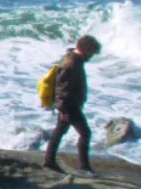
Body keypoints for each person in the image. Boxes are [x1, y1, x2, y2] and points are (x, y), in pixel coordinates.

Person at [42, 35, 102, 177]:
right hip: (69, 105)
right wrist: (63, 108)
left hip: (69, 104)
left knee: (59, 131)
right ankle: (84, 167)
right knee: (85, 133)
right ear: (85, 50)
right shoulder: (72, 63)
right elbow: (62, 88)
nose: (91, 56)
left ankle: (49, 161)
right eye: (91, 53)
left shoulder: (73, 58)